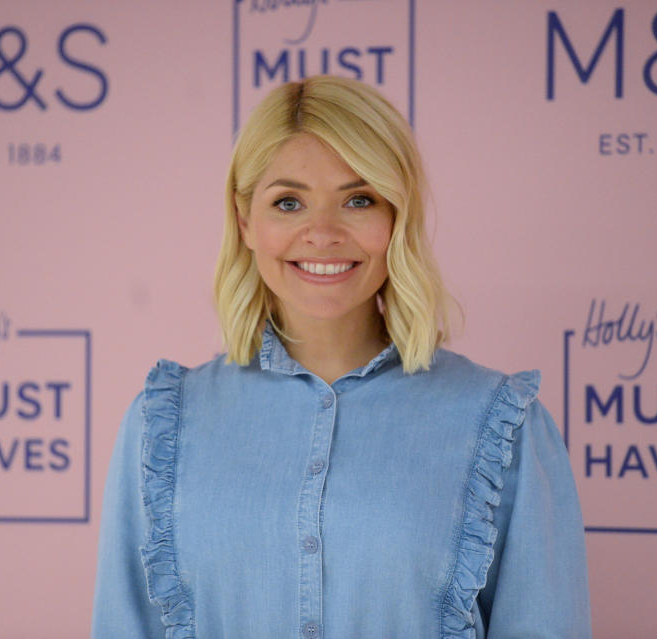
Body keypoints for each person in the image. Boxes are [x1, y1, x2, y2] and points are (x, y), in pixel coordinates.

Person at [92, 76, 591, 638]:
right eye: (288, 202)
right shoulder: (161, 427)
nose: (323, 233)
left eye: (359, 199)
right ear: (245, 220)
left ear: (397, 216)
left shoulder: (502, 425)